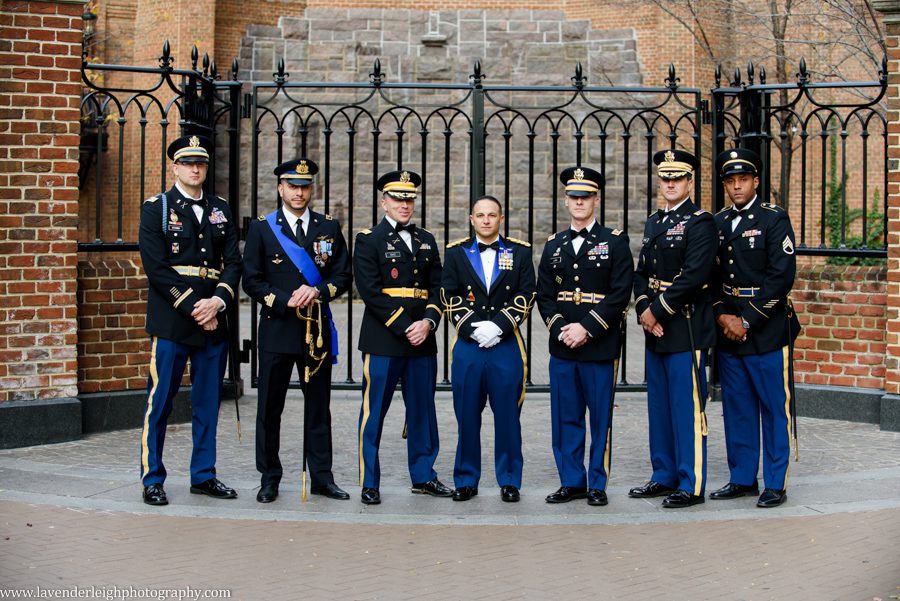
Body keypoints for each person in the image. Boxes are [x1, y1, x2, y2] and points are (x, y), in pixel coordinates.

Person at [137, 134, 241, 506]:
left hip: (214, 318)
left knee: (207, 402)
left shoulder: (221, 209)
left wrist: (217, 302)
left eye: (201, 163)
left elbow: (233, 264)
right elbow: (156, 267)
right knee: (160, 401)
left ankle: (204, 474)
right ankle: (152, 478)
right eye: (187, 162)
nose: (195, 169)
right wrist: (197, 307)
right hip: (173, 320)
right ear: (175, 166)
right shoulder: (158, 208)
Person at [242, 157, 351, 504]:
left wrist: (318, 291)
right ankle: (269, 477)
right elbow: (251, 280)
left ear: (311, 189)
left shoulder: (328, 228)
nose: (299, 192)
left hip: (315, 331)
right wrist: (283, 299)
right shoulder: (263, 228)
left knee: (318, 407)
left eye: (304, 186)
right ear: (280, 188)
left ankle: (321, 477)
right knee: (270, 408)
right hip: (277, 328)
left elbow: (343, 276)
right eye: (292, 185)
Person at [353, 169, 452, 505]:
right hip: (384, 339)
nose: (405, 204)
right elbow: (370, 291)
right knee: (374, 412)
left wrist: (428, 322)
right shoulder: (368, 239)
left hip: (422, 339)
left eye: (409, 199)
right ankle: (369, 481)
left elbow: (439, 287)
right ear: (384, 201)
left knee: (423, 411)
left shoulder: (427, 239)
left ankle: (424, 476)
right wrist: (404, 325)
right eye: (397, 198)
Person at [537, 167, 634, 507]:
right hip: (563, 344)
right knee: (565, 416)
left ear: (597, 199)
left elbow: (621, 292)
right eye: (574, 197)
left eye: (586, 197)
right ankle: (570, 481)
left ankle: (596, 482)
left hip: (599, 343)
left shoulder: (614, 242)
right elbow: (544, 295)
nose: (579, 202)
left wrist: (587, 328)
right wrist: (563, 327)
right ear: (566, 201)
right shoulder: (554, 245)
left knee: (599, 417)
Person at [709, 148, 800, 508]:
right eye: (730, 181)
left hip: (765, 326)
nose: (736, 187)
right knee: (738, 406)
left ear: (756, 181)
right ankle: (743, 477)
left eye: (743, 179)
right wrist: (722, 316)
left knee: (773, 406)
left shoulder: (773, 219)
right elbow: (710, 277)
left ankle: (775, 482)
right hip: (729, 327)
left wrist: (747, 320)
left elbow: (782, 277)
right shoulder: (716, 223)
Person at [629, 149, 717, 508]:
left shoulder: (701, 222)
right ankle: (663, 475)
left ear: (690, 181)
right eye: (665, 177)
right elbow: (640, 273)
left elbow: (695, 275)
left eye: (677, 178)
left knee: (686, 407)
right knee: (659, 407)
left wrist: (658, 312)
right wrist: (642, 309)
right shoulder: (654, 222)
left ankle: (691, 481)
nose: (670, 183)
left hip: (685, 327)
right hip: (656, 328)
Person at [441, 195, 536, 503]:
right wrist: (472, 328)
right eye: (480, 215)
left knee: (508, 415)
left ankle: (509, 480)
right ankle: (466, 479)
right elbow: (448, 293)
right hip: (468, 345)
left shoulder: (519, 252)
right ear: (471, 219)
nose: (485, 220)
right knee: (467, 414)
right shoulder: (456, 253)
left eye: (491, 215)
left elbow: (526, 292)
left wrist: (499, 326)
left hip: (505, 344)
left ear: (500, 219)